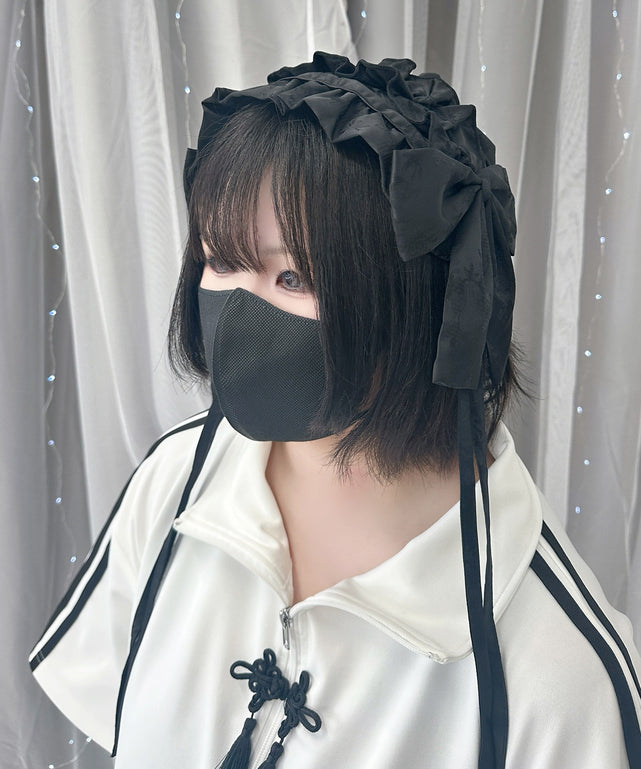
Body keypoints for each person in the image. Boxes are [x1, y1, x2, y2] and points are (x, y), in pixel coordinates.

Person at [29, 52, 641, 769]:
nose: (237, 310)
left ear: (413, 302)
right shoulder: (173, 483)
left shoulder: (560, 672)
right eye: (220, 259)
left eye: (291, 275)